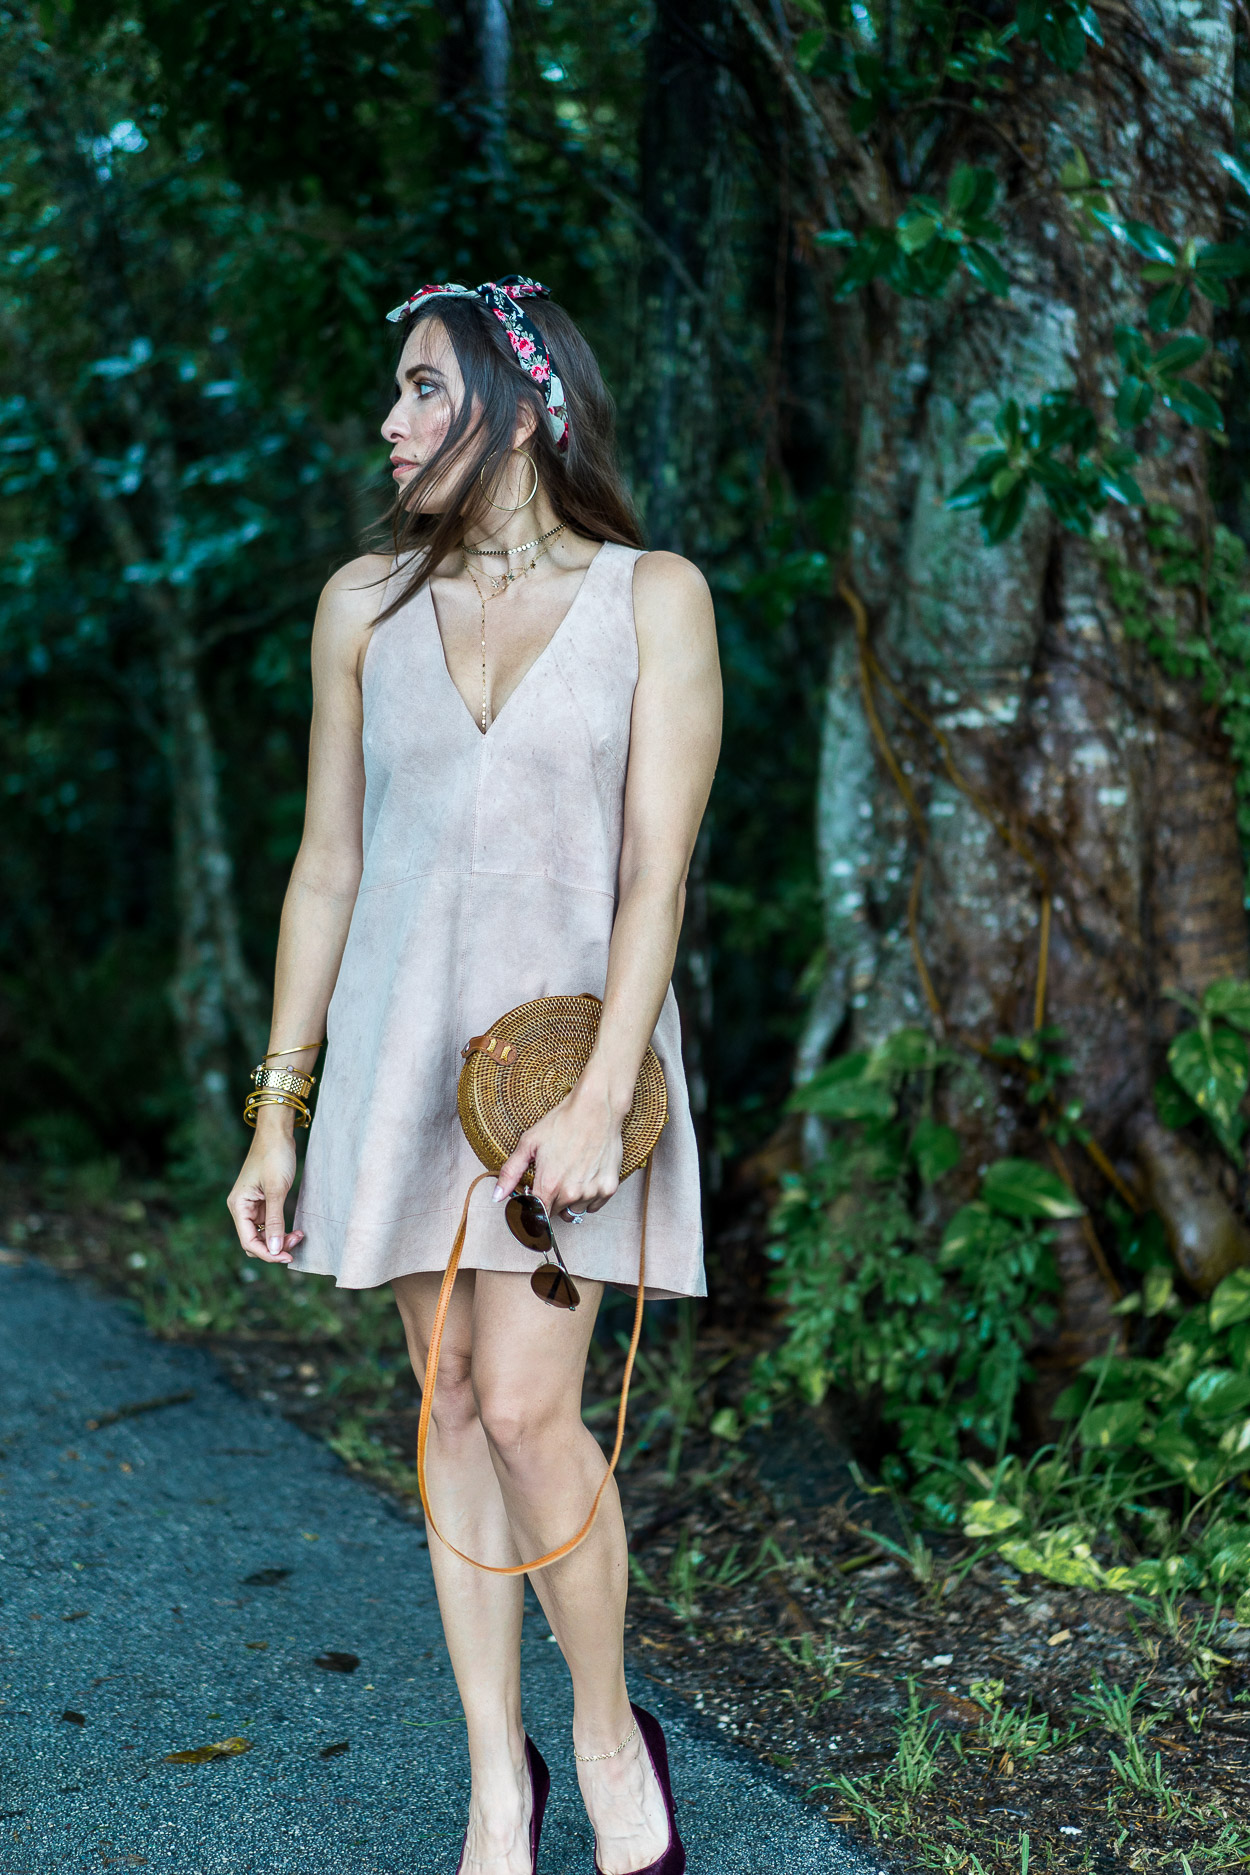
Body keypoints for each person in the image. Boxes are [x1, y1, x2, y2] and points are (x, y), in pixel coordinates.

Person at [227, 274, 720, 1875]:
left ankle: (597, 1724)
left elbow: (656, 876)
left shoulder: (655, 597)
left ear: (523, 401)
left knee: (525, 1409)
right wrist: (278, 1114)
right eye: (394, 391)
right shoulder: (360, 605)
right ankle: (495, 1789)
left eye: (424, 388)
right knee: (445, 1400)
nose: (391, 421)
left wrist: (600, 1100)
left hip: (568, 1076)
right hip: (396, 1059)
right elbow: (324, 866)